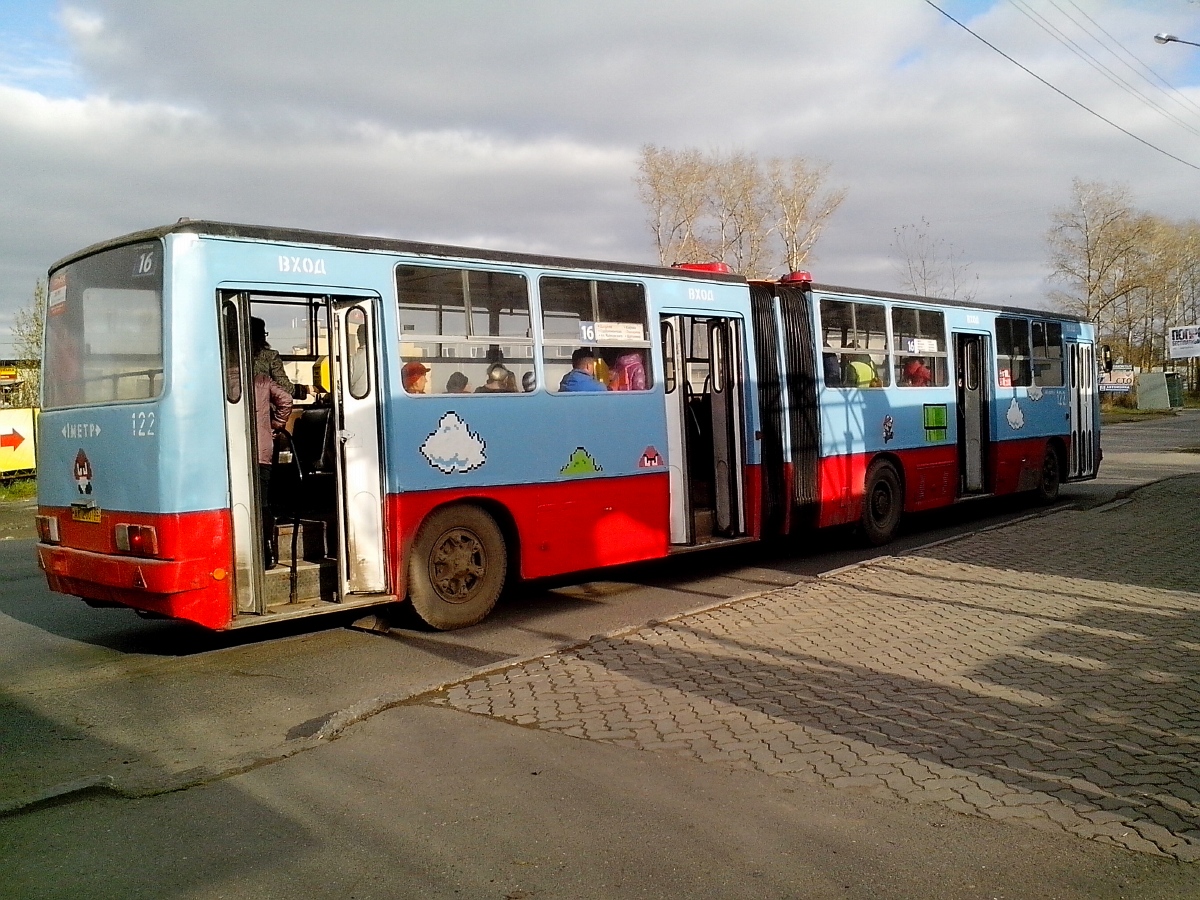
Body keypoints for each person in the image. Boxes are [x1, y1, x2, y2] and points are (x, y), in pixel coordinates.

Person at [255, 373, 292, 570]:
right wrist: (275, 425)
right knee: (263, 503)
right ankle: (268, 549)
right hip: (262, 450)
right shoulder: (262, 380)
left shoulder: (220, 377)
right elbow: (286, 399)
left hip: (232, 453)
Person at [252, 317, 311, 400]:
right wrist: (306, 389)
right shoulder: (271, 356)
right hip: (264, 407)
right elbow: (284, 387)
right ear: (260, 336)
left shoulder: (233, 357)